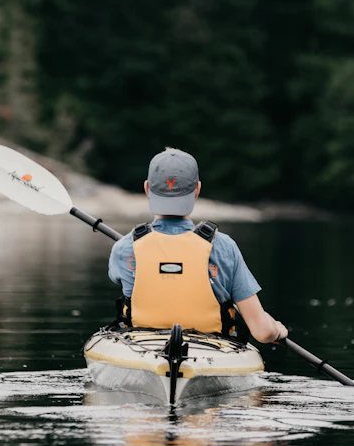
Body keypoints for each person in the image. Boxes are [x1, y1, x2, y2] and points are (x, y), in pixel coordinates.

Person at [108, 147, 288, 344]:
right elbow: (263, 332)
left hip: (141, 348)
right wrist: (277, 330)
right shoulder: (224, 247)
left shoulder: (124, 248)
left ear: (147, 189)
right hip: (211, 350)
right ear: (197, 190)